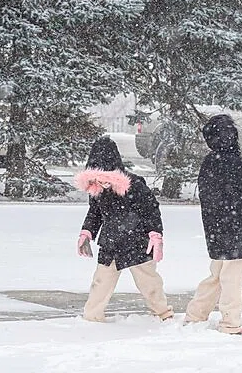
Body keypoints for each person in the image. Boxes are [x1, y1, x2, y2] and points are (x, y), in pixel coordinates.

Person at [73, 136, 173, 322]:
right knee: (100, 282)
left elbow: (151, 211)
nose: (103, 184)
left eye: (106, 180)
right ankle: (91, 317)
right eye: (98, 180)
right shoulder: (97, 190)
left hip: (137, 243)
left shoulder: (134, 186)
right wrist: (86, 232)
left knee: (149, 282)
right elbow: (95, 213)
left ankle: (163, 314)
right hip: (110, 244)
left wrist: (155, 234)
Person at [184, 112, 242, 334]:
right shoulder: (235, 163)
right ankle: (231, 323)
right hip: (238, 228)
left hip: (216, 229)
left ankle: (195, 315)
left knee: (217, 276)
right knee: (232, 278)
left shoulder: (210, 162)